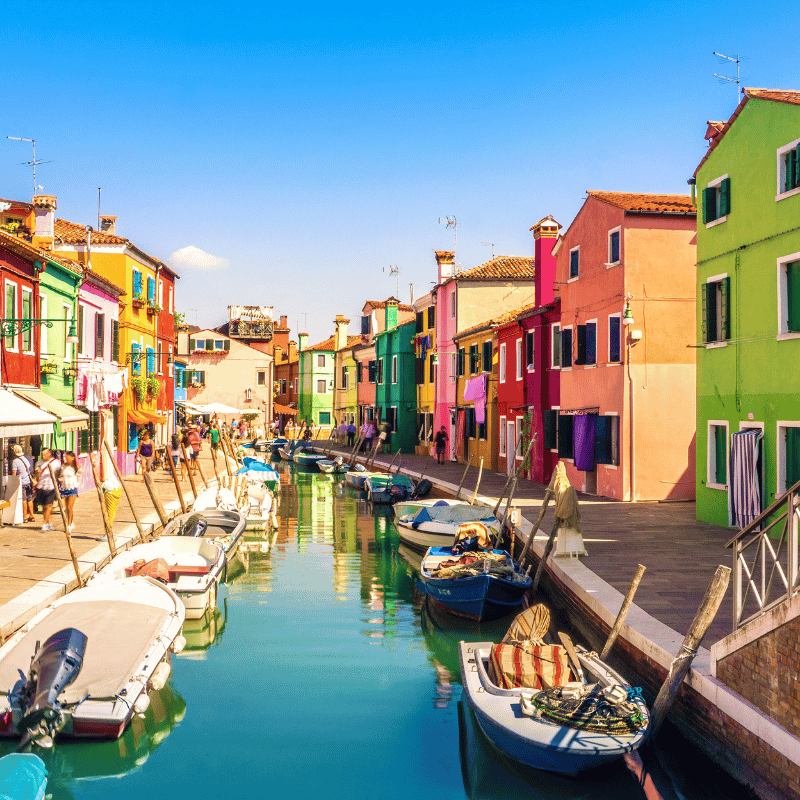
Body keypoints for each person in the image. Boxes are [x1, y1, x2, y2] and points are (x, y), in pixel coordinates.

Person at [34, 449, 61, 531]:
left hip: (51, 486)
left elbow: (58, 474)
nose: (44, 456)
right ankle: (48, 522)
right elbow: (36, 475)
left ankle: (45, 523)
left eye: (45, 454)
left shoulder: (55, 462)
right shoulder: (38, 463)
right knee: (44, 506)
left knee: (48, 505)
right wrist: (38, 472)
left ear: (49, 453)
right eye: (42, 454)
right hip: (41, 486)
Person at [11, 444, 35, 522]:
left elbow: (14, 474)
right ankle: (31, 515)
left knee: (24, 499)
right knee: (30, 499)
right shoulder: (26, 459)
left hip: (22, 482)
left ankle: (24, 517)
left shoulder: (15, 461)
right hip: (28, 481)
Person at [59, 452, 81, 534]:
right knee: (65, 508)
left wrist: (76, 484)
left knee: (69, 507)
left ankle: (68, 525)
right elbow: (61, 475)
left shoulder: (76, 467)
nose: (66, 459)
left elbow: (79, 477)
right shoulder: (63, 466)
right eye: (65, 457)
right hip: (64, 488)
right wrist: (61, 478)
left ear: (72, 458)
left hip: (72, 488)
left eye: (67, 457)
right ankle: (70, 521)